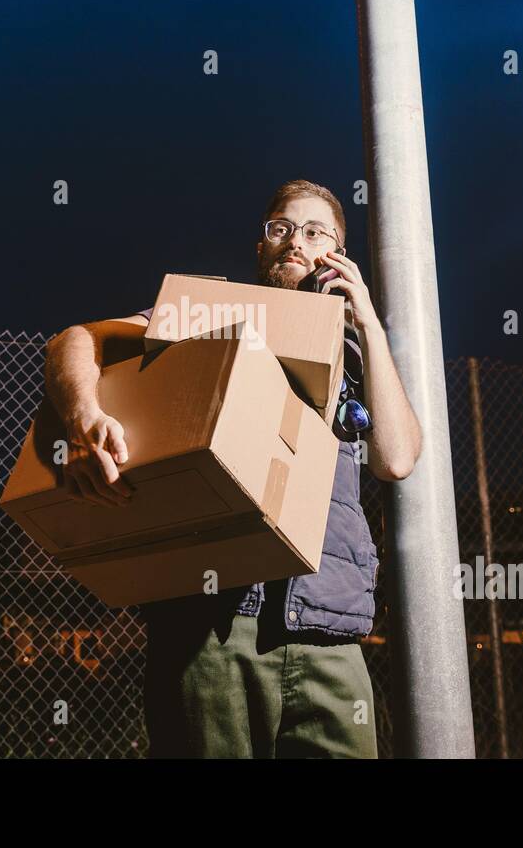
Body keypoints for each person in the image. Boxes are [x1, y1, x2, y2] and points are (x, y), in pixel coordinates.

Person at [43, 179, 422, 757]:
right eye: (281, 228)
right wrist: (81, 418)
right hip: (215, 623)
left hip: (329, 632)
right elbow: (74, 341)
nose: (296, 240)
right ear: (262, 245)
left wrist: (367, 325)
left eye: (316, 232)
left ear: (336, 256)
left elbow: (396, 458)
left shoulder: (352, 354)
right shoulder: (213, 314)